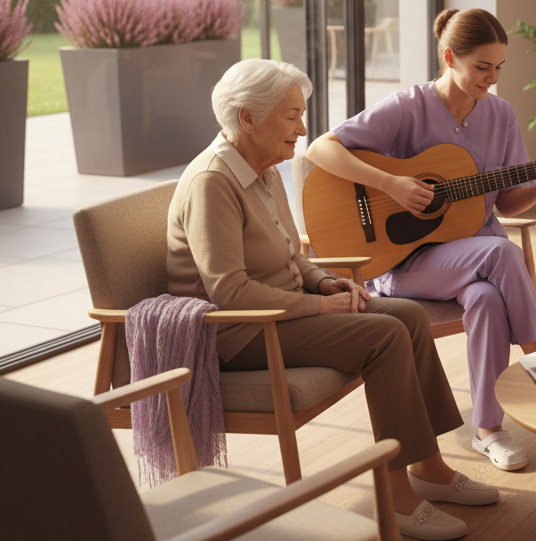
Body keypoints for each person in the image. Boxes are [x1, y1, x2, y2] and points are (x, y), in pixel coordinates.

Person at [167, 58, 495, 541]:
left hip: (283, 310)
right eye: (291, 116)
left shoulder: (263, 167)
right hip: (238, 332)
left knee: (407, 316)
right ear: (247, 118)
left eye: (301, 114)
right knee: (383, 334)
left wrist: (323, 282)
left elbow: (288, 251)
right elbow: (229, 291)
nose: (302, 128)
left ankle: (429, 466)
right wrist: (321, 306)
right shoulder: (213, 182)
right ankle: (396, 496)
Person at [307, 8, 536, 472]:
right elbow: (320, 148)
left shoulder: (501, 115)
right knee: (501, 252)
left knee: (487, 298)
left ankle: (489, 429)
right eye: (482, 67)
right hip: (403, 264)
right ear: (450, 57)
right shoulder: (407, 107)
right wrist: (392, 184)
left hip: (474, 259)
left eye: (498, 68)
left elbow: (506, 205)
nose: (491, 79)